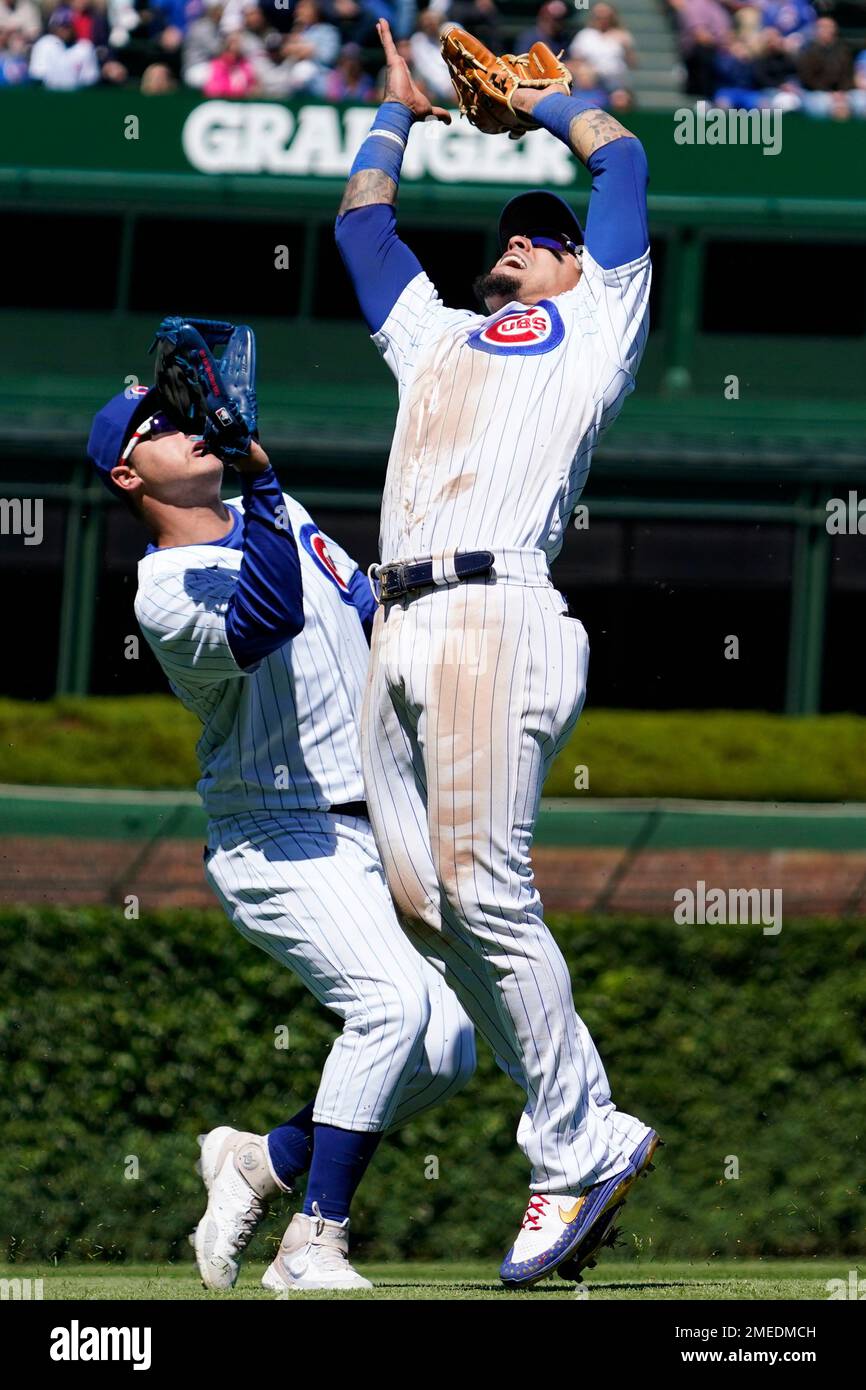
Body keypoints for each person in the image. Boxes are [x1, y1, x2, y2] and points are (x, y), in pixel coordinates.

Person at [336, 19, 658, 1289]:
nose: (526, 236)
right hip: (396, 621)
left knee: (482, 891)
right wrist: (394, 113)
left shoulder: (598, 327)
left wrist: (552, 103)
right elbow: (366, 234)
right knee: (422, 903)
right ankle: (588, 1131)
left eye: (548, 232)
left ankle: (575, 1148)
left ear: (585, 268)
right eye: (515, 229)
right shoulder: (435, 336)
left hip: (494, 609)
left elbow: (619, 168)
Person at [86, 366, 475, 1292]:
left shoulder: (280, 508)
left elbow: (361, 604)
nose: (184, 429)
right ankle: (311, 1246)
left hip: (373, 822)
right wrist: (262, 482)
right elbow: (268, 614)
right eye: (155, 426)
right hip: (277, 835)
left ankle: (259, 1162)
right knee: (392, 1007)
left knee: (450, 1047)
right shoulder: (165, 590)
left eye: (184, 414)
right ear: (128, 477)